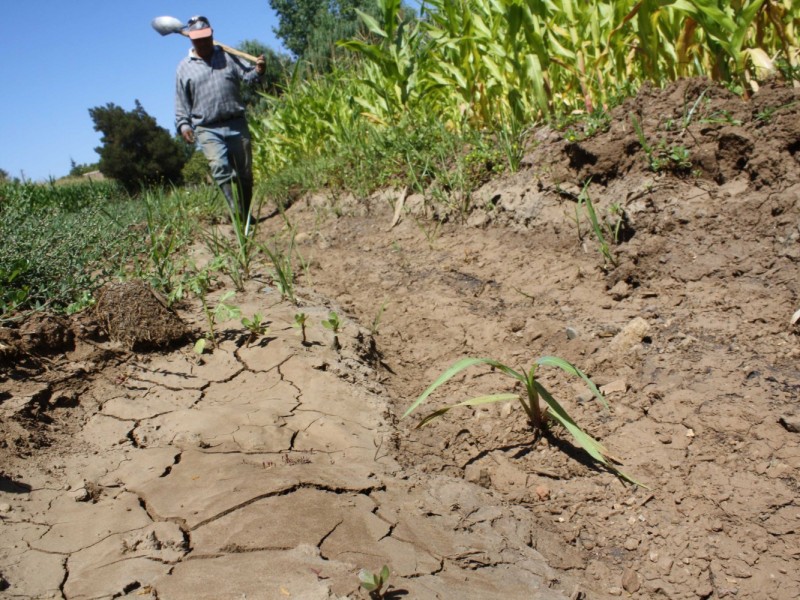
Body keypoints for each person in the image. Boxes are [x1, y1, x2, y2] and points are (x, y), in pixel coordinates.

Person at [174, 16, 266, 233]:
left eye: (206, 38)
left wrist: (260, 70)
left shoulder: (228, 58)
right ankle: (236, 213)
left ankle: (245, 214)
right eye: (198, 39)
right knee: (220, 168)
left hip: (236, 122)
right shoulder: (184, 68)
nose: (203, 43)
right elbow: (181, 102)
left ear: (212, 34)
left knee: (244, 174)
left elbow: (249, 77)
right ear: (191, 40)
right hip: (207, 127)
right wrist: (183, 125)